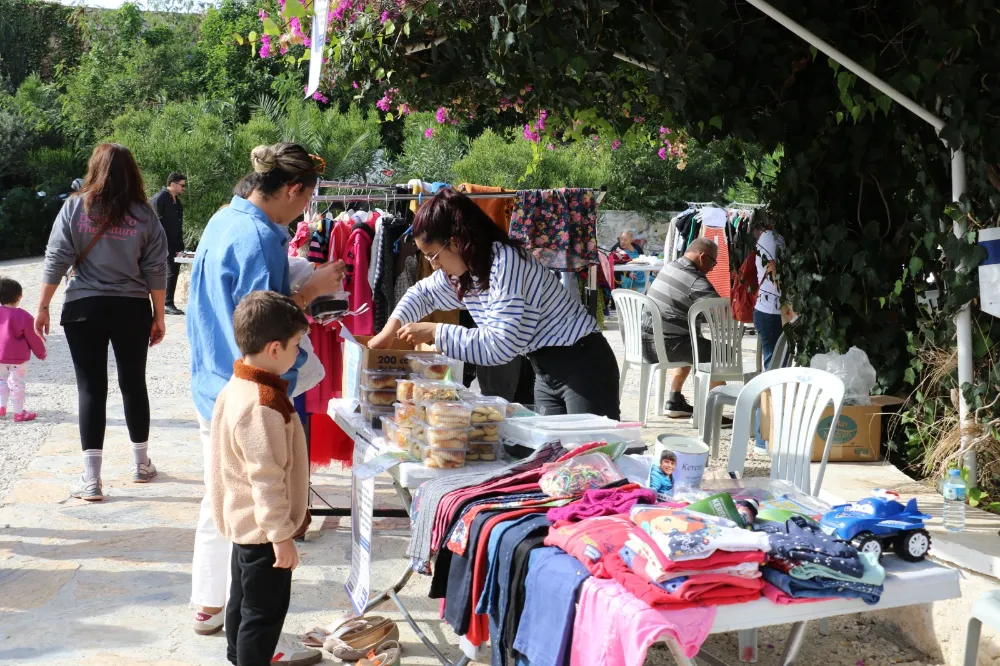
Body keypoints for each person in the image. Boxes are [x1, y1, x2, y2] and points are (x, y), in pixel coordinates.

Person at [186, 142, 344, 642]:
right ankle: (223, 613)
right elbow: (262, 323)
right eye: (306, 200)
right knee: (241, 505)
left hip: (214, 378)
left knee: (224, 497)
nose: (305, 213)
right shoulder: (258, 239)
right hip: (242, 387)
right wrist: (313, 288)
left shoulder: (222, 220)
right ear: (292, 189)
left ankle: (213, 607)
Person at [369, 189, 621, 419]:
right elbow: (422, 293)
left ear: (456, 241)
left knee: (593, 457)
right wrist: (389, 331)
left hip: (582, 365)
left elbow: (500, 346)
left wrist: (436, 332)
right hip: (544, 369)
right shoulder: (467, 270)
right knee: (553, 457)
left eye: (434, 255)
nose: (434, 265)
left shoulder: (505, 261)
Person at [38, 143, 168, 501]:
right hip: (131, 309)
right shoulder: (145, 214)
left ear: (95, 168)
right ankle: (141, 464)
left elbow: (57, 257)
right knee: (133, 382)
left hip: (84, 306)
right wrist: (159, 314)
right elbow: (156, 267)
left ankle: (91, 480)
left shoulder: (75, 207)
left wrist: (43, 305)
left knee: (91, 388)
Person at [209, 291, 311, 666]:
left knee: (243, 604)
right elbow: (265, 478)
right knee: (263, 616)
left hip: (244, 524)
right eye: (295, 345)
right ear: (273, 349)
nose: (298, 353)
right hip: (263, 531)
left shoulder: (237, 385)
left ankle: (237, 659)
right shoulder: (262, 404)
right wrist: (281, 536)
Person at [641, 238, 722, 418]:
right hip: (663, 346)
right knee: (718, 354)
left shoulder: (671, 266)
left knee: (693, 339)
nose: (713, 267)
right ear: (703, 257)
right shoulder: (695, 279)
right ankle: (713, 414)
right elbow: (721, 313)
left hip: (644, 343)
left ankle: (675, 400)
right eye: (713, 262)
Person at [0, 277, 47, 422]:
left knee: (1, 381)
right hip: (18, 358)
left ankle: (1, 407)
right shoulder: (25, 316)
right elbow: (33, 337)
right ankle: (19, 413)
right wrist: (41, 353)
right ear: (19, 297)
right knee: (17, 384)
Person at [150, 172, 187, 315]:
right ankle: (165, 303)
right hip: (161, 243)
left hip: (175, 243)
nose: (183, 188)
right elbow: (153, 222)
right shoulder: (159, 198)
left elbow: (178, 224)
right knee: (167, 271)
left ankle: (168, 302)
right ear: (172, 184)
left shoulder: (177, 202)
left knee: (174, 271)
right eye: (182, 185)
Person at [753, 221, 785, 370]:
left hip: (774, 311)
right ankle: (770, 394)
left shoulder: (775, 237)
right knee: (774, 368)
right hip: (771, 311)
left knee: (779, 366)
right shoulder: (770, 237)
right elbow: (774, 274)